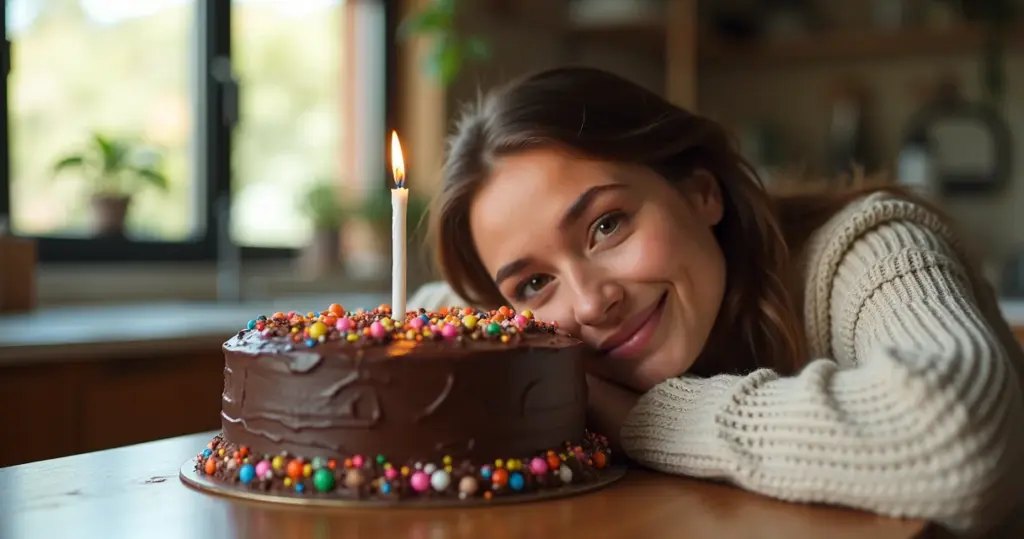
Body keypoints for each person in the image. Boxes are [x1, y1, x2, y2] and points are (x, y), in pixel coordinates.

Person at [407, 66, 1024, 537]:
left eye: (607, 225)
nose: (592, 303)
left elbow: (958, 441)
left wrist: (643, 419)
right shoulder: (542, 331)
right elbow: (436, 307)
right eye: (535, 284)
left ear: (701, 192)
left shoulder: (868, 251)